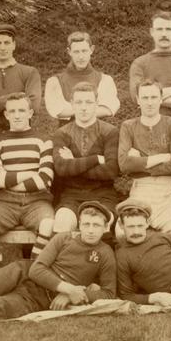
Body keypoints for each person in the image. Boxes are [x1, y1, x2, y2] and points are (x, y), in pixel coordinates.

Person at [0, 93, 55, 273]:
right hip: (5, 203)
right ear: (6, 115)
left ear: (30, 113)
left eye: (21, 110)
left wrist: (9, 178)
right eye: (12, 111)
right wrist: (29, 174)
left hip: (37, 202)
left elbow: (45, 179)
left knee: (49, 225)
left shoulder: (44, 141)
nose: (17, 115)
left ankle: (33, 272)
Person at [118, 78, 171, 238]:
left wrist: (139, 163)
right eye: (144, 98)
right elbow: (124, 165)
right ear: (138, 100)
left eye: (153, 97)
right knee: (121, 233)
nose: (149, 102)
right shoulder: (128, 126)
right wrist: (162, 157)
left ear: (161, 98)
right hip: (140, 191)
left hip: (168, 194)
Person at [50, 81, 120, 234]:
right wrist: (95, 159)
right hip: (71, 196)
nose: (83, 107)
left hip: (103, 195)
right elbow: (62, 169)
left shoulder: (110, 132)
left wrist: (74, 163)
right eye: (79, 102)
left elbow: (110, 171)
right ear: (72, 104)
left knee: (100, 224)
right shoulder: (62, 133)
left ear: (96, 104)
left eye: (88, 102)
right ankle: (66, 258)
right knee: (62, 223)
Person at [43, 31, 120, 121]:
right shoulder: (55, 82)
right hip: (67, 132)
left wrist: (73, 111)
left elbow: (108, 109)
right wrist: (92, 109)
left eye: (84, 51)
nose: (81, 57)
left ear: (91, 50)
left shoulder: (104, 80)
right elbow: (58, 111)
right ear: (69, 52)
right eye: (76, 52)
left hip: (97, 131)